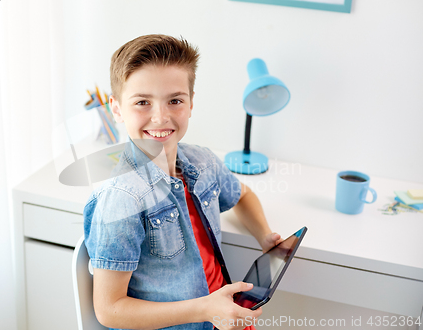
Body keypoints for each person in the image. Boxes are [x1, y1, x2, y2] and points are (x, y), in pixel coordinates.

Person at [83, 34, 282, 330]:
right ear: (116, 109)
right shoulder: (121, 198)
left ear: (190, 104)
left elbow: (242, 195)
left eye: (175, 100)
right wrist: (204, 309)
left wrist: (264, 236)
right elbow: (110, 309)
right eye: (142, 102)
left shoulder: (203, 161)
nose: (161, 117)